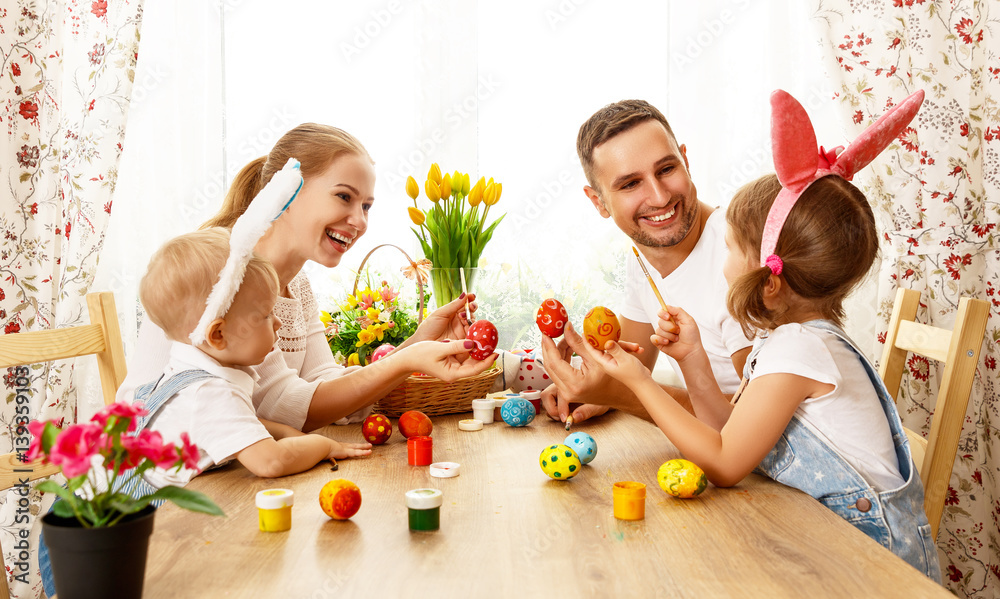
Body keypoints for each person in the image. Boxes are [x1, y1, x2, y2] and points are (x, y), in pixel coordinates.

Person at [578, 90, 939, 580]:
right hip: (819, 535)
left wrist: (639, 385)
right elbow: (733, 434)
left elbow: (726, 466)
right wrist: (693, 361)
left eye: (727, 246)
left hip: (872, 561)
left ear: (765, 275)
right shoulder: (788, 341)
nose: (716, 250)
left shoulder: (800, 348)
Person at [117, 123, 492, 432]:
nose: (359, 222)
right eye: (344, 197)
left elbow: (323, 385)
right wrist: (406, 361)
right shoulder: (226, 272)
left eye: (366, 206)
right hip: (154, 481)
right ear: (286, 191)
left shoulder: (295, 284)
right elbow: (286, 405)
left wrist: (417, 343)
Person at [541, 100, 752, 424]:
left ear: (686, 162)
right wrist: (589, 390)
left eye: (667, 169)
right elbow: (631, 369)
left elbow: (757, 425)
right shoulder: (641, 256)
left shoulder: (742, 256)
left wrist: (617, 395)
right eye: (630, 184)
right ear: (599, 202)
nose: (659, 197)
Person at [132, 228, 373, 488]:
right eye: (266, 315)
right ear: (218, 334)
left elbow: (248, 421)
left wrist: (290, 436)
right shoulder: (211, 393)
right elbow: (271, 463)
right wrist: (322, 446)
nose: (278, 322)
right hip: (150, 516)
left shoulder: (186, 373)